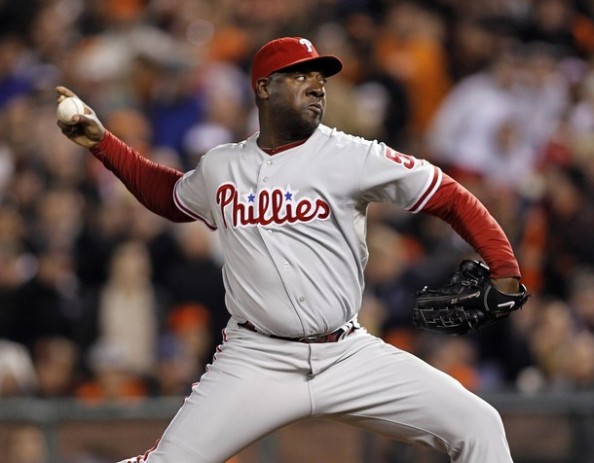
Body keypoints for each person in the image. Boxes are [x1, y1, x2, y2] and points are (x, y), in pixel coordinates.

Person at [57, 36, 524, 463]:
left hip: (347, 353)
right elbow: (171, 196)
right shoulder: (223, 166)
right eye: (300, 76)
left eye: (319, 78)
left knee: (478, 424)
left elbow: (448, 196)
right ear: (264, 88)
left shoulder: (353, 155)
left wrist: (504, 268)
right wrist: (103, 144)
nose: (316, 87)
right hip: (256, 357)